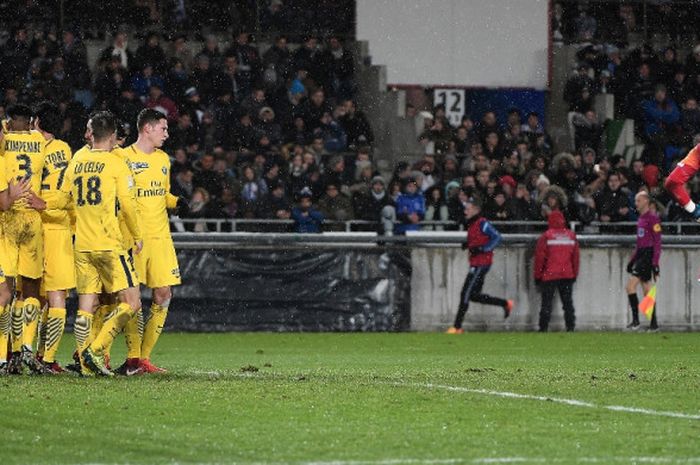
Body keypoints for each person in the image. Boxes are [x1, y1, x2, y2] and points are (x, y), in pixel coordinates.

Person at [33, 111, 143, 376]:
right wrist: (137, 235)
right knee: (132, 302)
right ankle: (97, 348)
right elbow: (127, 205)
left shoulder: (78, 158)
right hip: (109, 244)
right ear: (114, 136)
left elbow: (64, 197)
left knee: (86, 306)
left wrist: (43, 203)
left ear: (92, 133)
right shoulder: (117, 163)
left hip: (82, 244)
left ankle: (85, 364)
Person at [117, 109, 183, 374]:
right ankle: (132, 358)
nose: (166, 134)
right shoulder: (122, 157)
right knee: (132, 297)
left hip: (160, 238)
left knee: (163, 293)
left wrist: (177, 202)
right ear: (147, 128)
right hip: (133, 238)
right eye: (163, 129)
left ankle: (143, 358)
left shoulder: (163, 159)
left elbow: (163, 195)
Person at [2, 104, 48, 374]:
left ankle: (4, 355)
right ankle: (26, 347)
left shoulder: (4, 142)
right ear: (30, 122)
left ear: (9, 122)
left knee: (5, 290)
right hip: (32, 217)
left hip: (8, 219)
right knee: (31, 289)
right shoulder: (39, 141)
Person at [34, 101, 75, 373]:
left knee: (31, 297)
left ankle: (22, 353)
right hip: (61, 229)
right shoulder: (65, 150)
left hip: (36, 226)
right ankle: (45, 357)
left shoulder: (34, 151)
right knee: (56, 296)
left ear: (37, 123)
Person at [447, 196, 514, 334]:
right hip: (477, 263)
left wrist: (483, 249)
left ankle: (457, 327)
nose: (465, 211)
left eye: (468, 208)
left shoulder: (482, 222)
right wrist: (469, 245)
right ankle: (505, 303)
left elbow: (497, 237)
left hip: (481, 264)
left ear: (476, 210)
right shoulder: (473, 223)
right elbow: (479, 239)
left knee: (465, 293)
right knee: (474, 295)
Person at [533, 210, 579, 332]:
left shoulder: (546, 236)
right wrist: (574, 274)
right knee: (568, 303)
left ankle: (543, 328)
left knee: (546, 303)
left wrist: (537, 276)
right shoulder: (571, 235)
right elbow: (575, 258)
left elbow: (539, 259)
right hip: (567, 274)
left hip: (550, 275)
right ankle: (570, 327)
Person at [625, 191, 661, 331]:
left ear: (646, 201)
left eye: (638, 201)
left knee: (630, 287)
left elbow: (657, 242)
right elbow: (639, 243)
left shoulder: (653, 219)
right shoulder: (641, 219)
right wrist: (632, 260)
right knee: (647, 289)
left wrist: (655, 263)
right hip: (641, 255)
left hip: (647, 255)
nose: (636, 204)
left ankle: (636, 321)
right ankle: (653, 324)